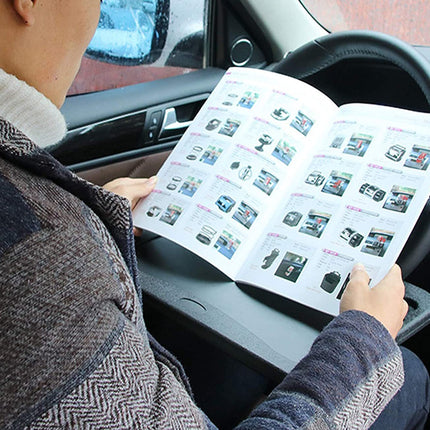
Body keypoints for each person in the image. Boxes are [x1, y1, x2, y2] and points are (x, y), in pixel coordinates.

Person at [0, 1, 428, 429]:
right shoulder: (42, 259)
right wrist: (363, 338)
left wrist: (96, 221)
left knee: (230, 370)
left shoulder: (34, 211)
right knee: (409, 374)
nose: (94, 19)